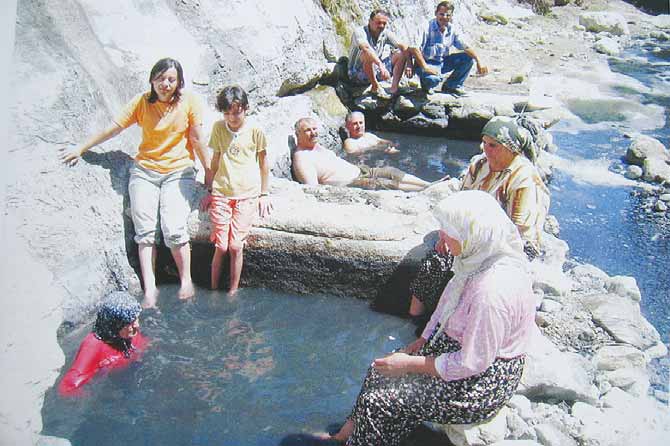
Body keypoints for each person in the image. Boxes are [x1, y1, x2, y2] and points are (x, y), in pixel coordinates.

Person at [324, 190, 537, 445]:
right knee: (379, 369)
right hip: (461, 349)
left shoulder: (491, 291)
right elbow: (446, 303)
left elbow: (472, 363)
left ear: (471, 234)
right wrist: (421, 340)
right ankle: (345, 436)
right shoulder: (476, 258)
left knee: (380, 400)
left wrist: (409, 364)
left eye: (448, 232)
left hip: (483, 381)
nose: (441, 239)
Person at [60, 58, 210, 308]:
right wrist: (81, 148)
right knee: (145, 232)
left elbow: (198, 140)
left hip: (179, 171)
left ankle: (186, 280)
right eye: (160, 78)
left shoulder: (189, 102)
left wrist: (210, 177)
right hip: (145, 171)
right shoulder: (142, 101)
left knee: (173, 228)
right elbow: (114, 128)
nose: (165, 84)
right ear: (152, 80)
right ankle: (149, 289)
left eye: (171, 79)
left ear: (179, 82)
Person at [409, 116, 550, 317]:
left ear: (510, 148)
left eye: (493, 146)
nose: (486, 150)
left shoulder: (523, 178)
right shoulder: (479, 165)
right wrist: (446, 233)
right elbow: (459, 204)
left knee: (471, 275)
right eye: (484, 143)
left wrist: (471, 247)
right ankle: (414, 319)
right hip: (474, 234)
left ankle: (447, 326)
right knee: (436, 259)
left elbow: (518, 229)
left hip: (511, 243)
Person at [201, 86, 272, 293]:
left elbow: (263, 163)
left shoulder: (255, 131)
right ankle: (213, 291)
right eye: (227, 113)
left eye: (236, 112)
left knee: (235, 246)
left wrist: (264, 193)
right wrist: (210, 190)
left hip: (246, 194)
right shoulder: (218, 128)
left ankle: (232, 292)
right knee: (221, 246)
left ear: (245, 108)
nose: (232, 117)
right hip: (222, 191)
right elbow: (215, 160)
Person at [292, 117, 431, 192]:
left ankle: (429, 184)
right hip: (350, 183)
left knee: (391, 171)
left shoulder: (317, 146)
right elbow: (312, 188)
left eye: (314, 129)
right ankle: (425, 191)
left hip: (360, 171)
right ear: (298, 135)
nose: (314, 133)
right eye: (308, 131)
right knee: (386, 183)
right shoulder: (302, 158)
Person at [58, 292, 148, 396]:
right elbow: (67, 388)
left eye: (136, 318)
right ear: (115, 325)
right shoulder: (93, 346)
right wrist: (92, 395)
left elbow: (143, 345)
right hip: (114, 391)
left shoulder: (129, 334)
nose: (137, 325)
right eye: (130, 322)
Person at [408, 1, 488, 95]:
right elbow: (414, 48)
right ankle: (427, 85)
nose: (444, 17)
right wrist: (425, 67)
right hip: (425, 63)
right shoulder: (426, 27)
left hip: (442, 62)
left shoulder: (452, 29)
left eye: (448, 15)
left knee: (468, 58)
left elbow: (466, 47)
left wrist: (479, 61)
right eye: (441, 14)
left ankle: (451, 86)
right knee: (433, 80)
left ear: (451, 16)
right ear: (436, 14)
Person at [348, 9, 410, 96]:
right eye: (378, 22)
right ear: (370, 21)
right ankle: (374, 86)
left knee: (401, 54)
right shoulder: (360, 32)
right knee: (366, 54)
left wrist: (409, 64)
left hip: (376, 70)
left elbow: (403, 46)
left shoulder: (384, 33)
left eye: (384, 23)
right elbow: (366, 48)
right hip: (358, 73)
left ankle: (393, 88)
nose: (381, 26)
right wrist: (381, 66)